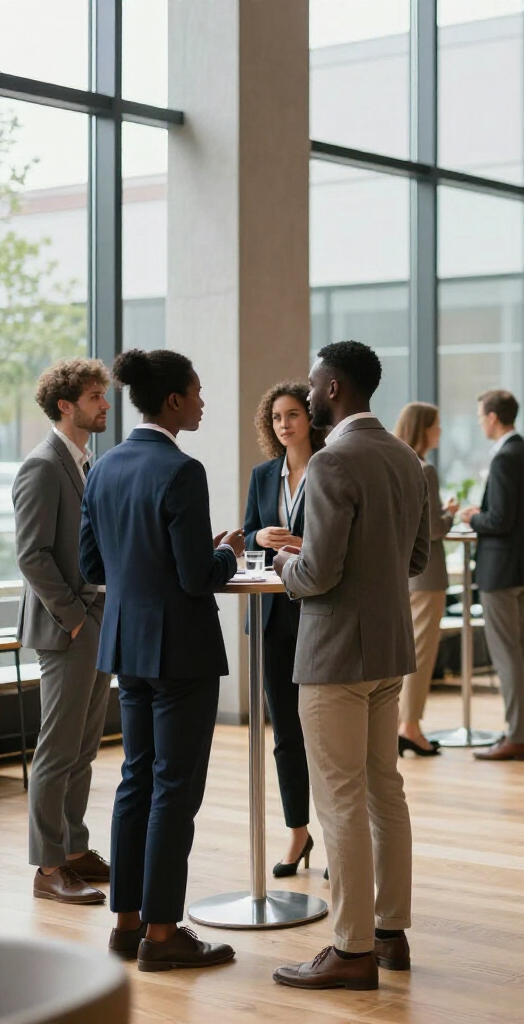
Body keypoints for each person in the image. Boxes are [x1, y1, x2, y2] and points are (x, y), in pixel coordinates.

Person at [271, 341, 430, 992]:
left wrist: (285, 563)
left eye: (313, 385)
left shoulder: (334, 462)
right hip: (388, 648)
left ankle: (351, 948)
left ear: (334, 388)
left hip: (335, 652)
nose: (307, 395)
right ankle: (390, 932)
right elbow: (414, 559)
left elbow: (318, 572)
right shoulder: (406, 458)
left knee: (338, 801)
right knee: (383, 791)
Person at [80, 348, 244, 970]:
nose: (202, 402)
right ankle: (164, 935)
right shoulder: (182, 471)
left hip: (128, 645)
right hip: (182, 651)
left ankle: (127, 925)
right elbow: (198, 576)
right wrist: (223, 552)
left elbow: (94, 567)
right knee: (176, 790)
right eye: (197, 392)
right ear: (172, 400)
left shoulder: (104, 468)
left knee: (136, 781)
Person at [13, 358, 112, 905]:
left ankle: (74, 850)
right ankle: (48, 866)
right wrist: (74, 617)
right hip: (67, 625)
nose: (105, 404)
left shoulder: (84, 461)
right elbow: (31, 554)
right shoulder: (43, 465)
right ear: (66, 405)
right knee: (57, 750)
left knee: (84, 748)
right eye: (96, 397)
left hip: (98, 617)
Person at [243, 381, 326, 876]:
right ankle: (298, 832)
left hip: (319, 610)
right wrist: (258, 534)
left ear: (309, 419)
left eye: (293, 414)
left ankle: (337, 833)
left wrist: (303, 540)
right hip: (274, 615)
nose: (285, 424)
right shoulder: (263, 475)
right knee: (286, 734)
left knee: (328, 732)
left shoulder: (329, 466)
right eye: (277, 418)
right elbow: (248, 529)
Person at [460, 390, 524, 762]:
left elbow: (498, 521)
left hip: (501, 568)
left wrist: (471, 517)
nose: (481, 423)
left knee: (508, 654)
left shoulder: (504, 458)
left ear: (493, 418)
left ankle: (517, 735)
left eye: (481, 416)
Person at [393, 401, 459, 756]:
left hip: (399, 572)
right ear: (423, 429)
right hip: (427, 574)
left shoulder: (394, 464)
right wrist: (447, 515)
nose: (441, 431)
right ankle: (410, 726)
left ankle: (400, 724)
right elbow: (432, 529)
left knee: (405, 653)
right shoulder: (425, 468)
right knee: (421, 654)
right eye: (436, 424)